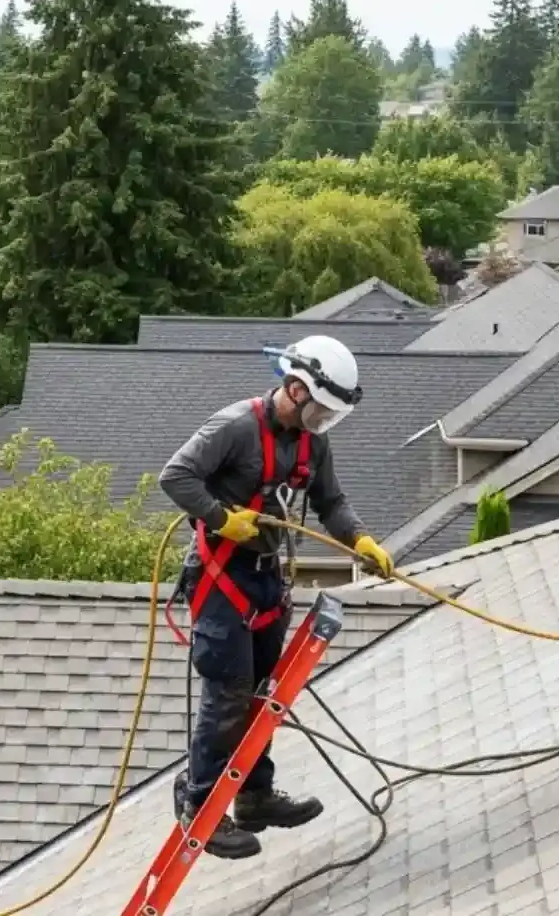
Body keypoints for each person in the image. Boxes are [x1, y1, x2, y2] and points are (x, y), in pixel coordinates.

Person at [157, 334, 395, 860]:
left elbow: (330, 500)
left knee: (265, 691)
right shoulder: (235, 427)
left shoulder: (313, 443)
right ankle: (200, 803)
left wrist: (358, 539)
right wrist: (222, 519)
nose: (325, 422)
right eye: (322, 409)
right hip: (223, 578)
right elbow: (175, 476)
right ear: (295, 387)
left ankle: (254, 794)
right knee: (229, 690)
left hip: (267, 579)